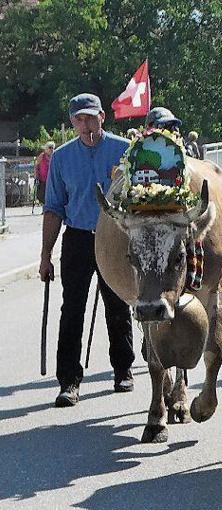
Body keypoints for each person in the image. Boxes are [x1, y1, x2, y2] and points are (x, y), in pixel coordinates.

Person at [40, 93, 135, 407]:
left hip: (116, 237)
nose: (85, 124)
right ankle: (69, 380)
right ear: (72, 122)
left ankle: (123, 369)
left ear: (102, 117)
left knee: (118, 304)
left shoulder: (125, 151)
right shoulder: (63, 158)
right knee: (72, 310)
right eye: (79, 118)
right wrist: (45, 256)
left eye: (90, 117)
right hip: (78, 238)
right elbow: (53, 209)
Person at [34, 141, 55, 205]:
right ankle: (45, 207)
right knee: (42, 195)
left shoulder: (55, 156)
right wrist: (36, 175)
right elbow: (36, 165)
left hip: (52, 179)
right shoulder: (42, 156)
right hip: (43, 179)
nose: (51, 149)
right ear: (46, 148)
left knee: (51, 195)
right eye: (50, 147)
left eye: (53, 148)